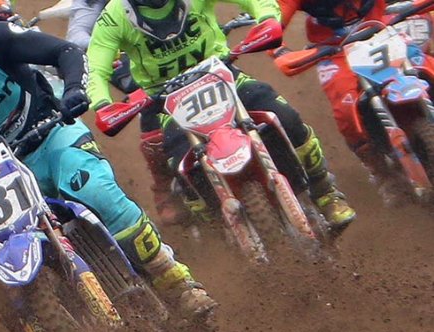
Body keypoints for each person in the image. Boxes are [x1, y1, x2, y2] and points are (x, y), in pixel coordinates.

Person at [0, 0, 217, 318]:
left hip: (50, 134)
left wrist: (74, 89)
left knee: (98, 192)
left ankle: (176, 282)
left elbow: (64, 51)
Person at [87, 0, 357, 230]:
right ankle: (218, 228)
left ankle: (326, 192)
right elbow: (96, 68)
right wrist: (102, 103)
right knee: (181, 167)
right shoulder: (114, 17)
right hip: (169, 100)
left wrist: (267, 17)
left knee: (286, 117)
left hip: (223, 75)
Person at [275, 0, 434, 204]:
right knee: (345, 107)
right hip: (334, 48)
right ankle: (380, 171)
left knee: (426, 65)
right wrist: (279, 50)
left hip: (382, 27)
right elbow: (271, 21)